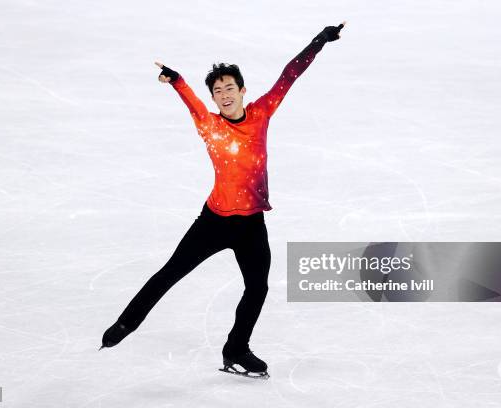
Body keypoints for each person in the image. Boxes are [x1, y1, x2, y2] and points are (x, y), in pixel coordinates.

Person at [101, 23, 346, 378]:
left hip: (251, 224)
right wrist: (177, 80)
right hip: (214, 223)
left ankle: (236, 349)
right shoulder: (210, 125)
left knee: (257, 287)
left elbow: (289, 75)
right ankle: (125, 325)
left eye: (230, 87)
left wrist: (320, 41)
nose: (224, 94)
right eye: (218, 91)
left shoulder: (261, 113)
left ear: (242, 90)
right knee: (172, 272)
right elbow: (191, 102)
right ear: (214, 99)